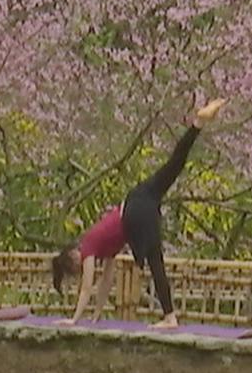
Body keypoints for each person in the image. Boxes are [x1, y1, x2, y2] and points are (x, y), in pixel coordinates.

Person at [50, 98, 228, 329]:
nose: (82, 269)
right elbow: (106, 282)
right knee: (174, 165)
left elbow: (88, 287)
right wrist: (96, 316)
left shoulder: (88, 248)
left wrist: (74, 320)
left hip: (134, 213)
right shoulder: (104, 248)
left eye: (76, 268)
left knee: (155, 261)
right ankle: (197, 124)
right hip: (139, 197)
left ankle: (169, 317)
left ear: (73, 258)